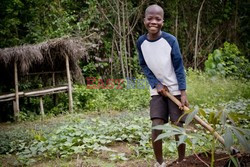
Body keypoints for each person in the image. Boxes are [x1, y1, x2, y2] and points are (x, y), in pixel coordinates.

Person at [136, 4, 189, 167]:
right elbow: (143, 65)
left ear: (162, 22)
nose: (153, 22)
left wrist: (183, 92)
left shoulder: (170, 40)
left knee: (177, 125)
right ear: (144, 20)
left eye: (157, 19)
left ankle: (181, 161)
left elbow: (179, 66)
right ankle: (160, 163)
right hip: (156, 91)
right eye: (150, 18)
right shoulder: (141, 42)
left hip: (174, 90)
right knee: (156, 125)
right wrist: (156, 84)